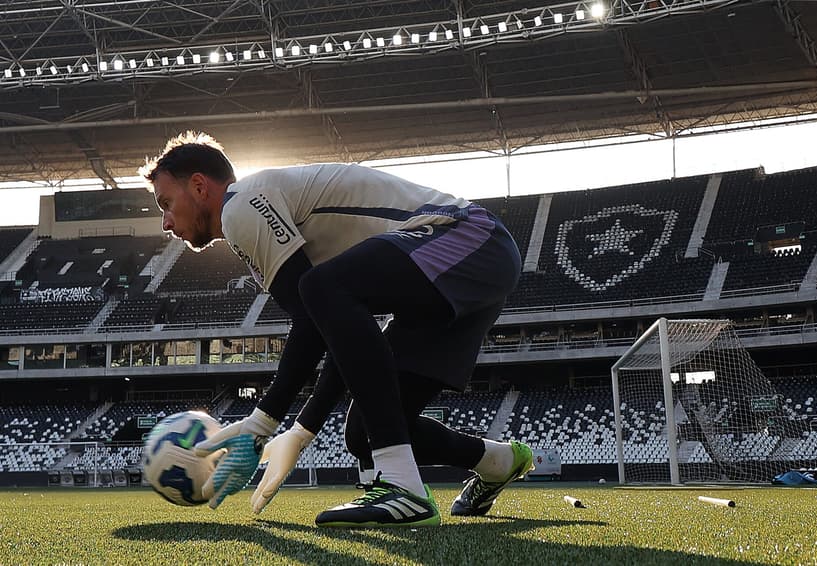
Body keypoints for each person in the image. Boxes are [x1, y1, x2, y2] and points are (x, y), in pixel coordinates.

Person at [141, 131, 534, 528]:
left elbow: (315, 313)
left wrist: (263, 423)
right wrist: (300, 430)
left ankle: (404, 488)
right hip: (470, 269)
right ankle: (499, 461)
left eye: (166, 203)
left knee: (319, 288)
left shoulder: (241, 205)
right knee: (363, 434)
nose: (166, 222)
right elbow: (331, 333)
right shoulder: (263, 218)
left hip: (468, 238)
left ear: (198, 186)